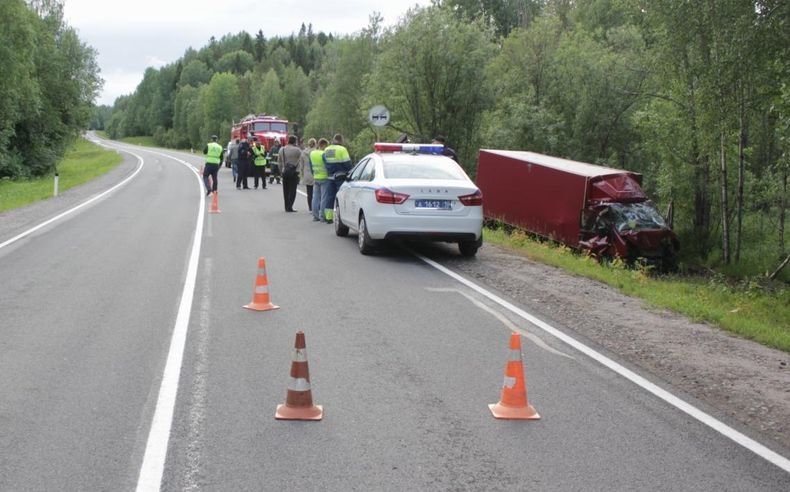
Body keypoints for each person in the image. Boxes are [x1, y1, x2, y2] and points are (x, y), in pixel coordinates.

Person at [321, 134, 353, 223]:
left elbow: (324, 160)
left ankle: (328, 218)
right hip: (341, 178)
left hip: (330, 177)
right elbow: (348, 164)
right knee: (342, 198)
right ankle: (342, 218)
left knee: (329, 197)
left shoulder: (327, 150)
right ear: (341, 141)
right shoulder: (342, 149)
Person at [279, 135, 302, 212]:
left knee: (286, 190)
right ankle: (290, 206)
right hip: (294, 172)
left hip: (284, 171)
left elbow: (279, 162)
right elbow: (301, 159)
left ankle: (286, 206)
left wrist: (281, 171)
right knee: (292, 190)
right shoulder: (297, 150)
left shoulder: (282, 149)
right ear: (295, 141)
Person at [309, 138, 329, 222]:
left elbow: (310, 166)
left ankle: (315, 216)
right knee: (324, 197)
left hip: (316, 177)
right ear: (323, 145)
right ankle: (322, 216)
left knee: (315, 197)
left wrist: (314, 174)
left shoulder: (312, 153)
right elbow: (327, 165)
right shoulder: (324, 154)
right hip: (324, 177)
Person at [299, 138, 316, 213]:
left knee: (309, 192)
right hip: (315, 173)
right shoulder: (316, 152)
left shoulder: (303, 152)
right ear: (315, 144)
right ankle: (316, 207)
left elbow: (301, 165)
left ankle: (310, 208)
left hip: (306, 173)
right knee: (316, 192)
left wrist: (302, 174)